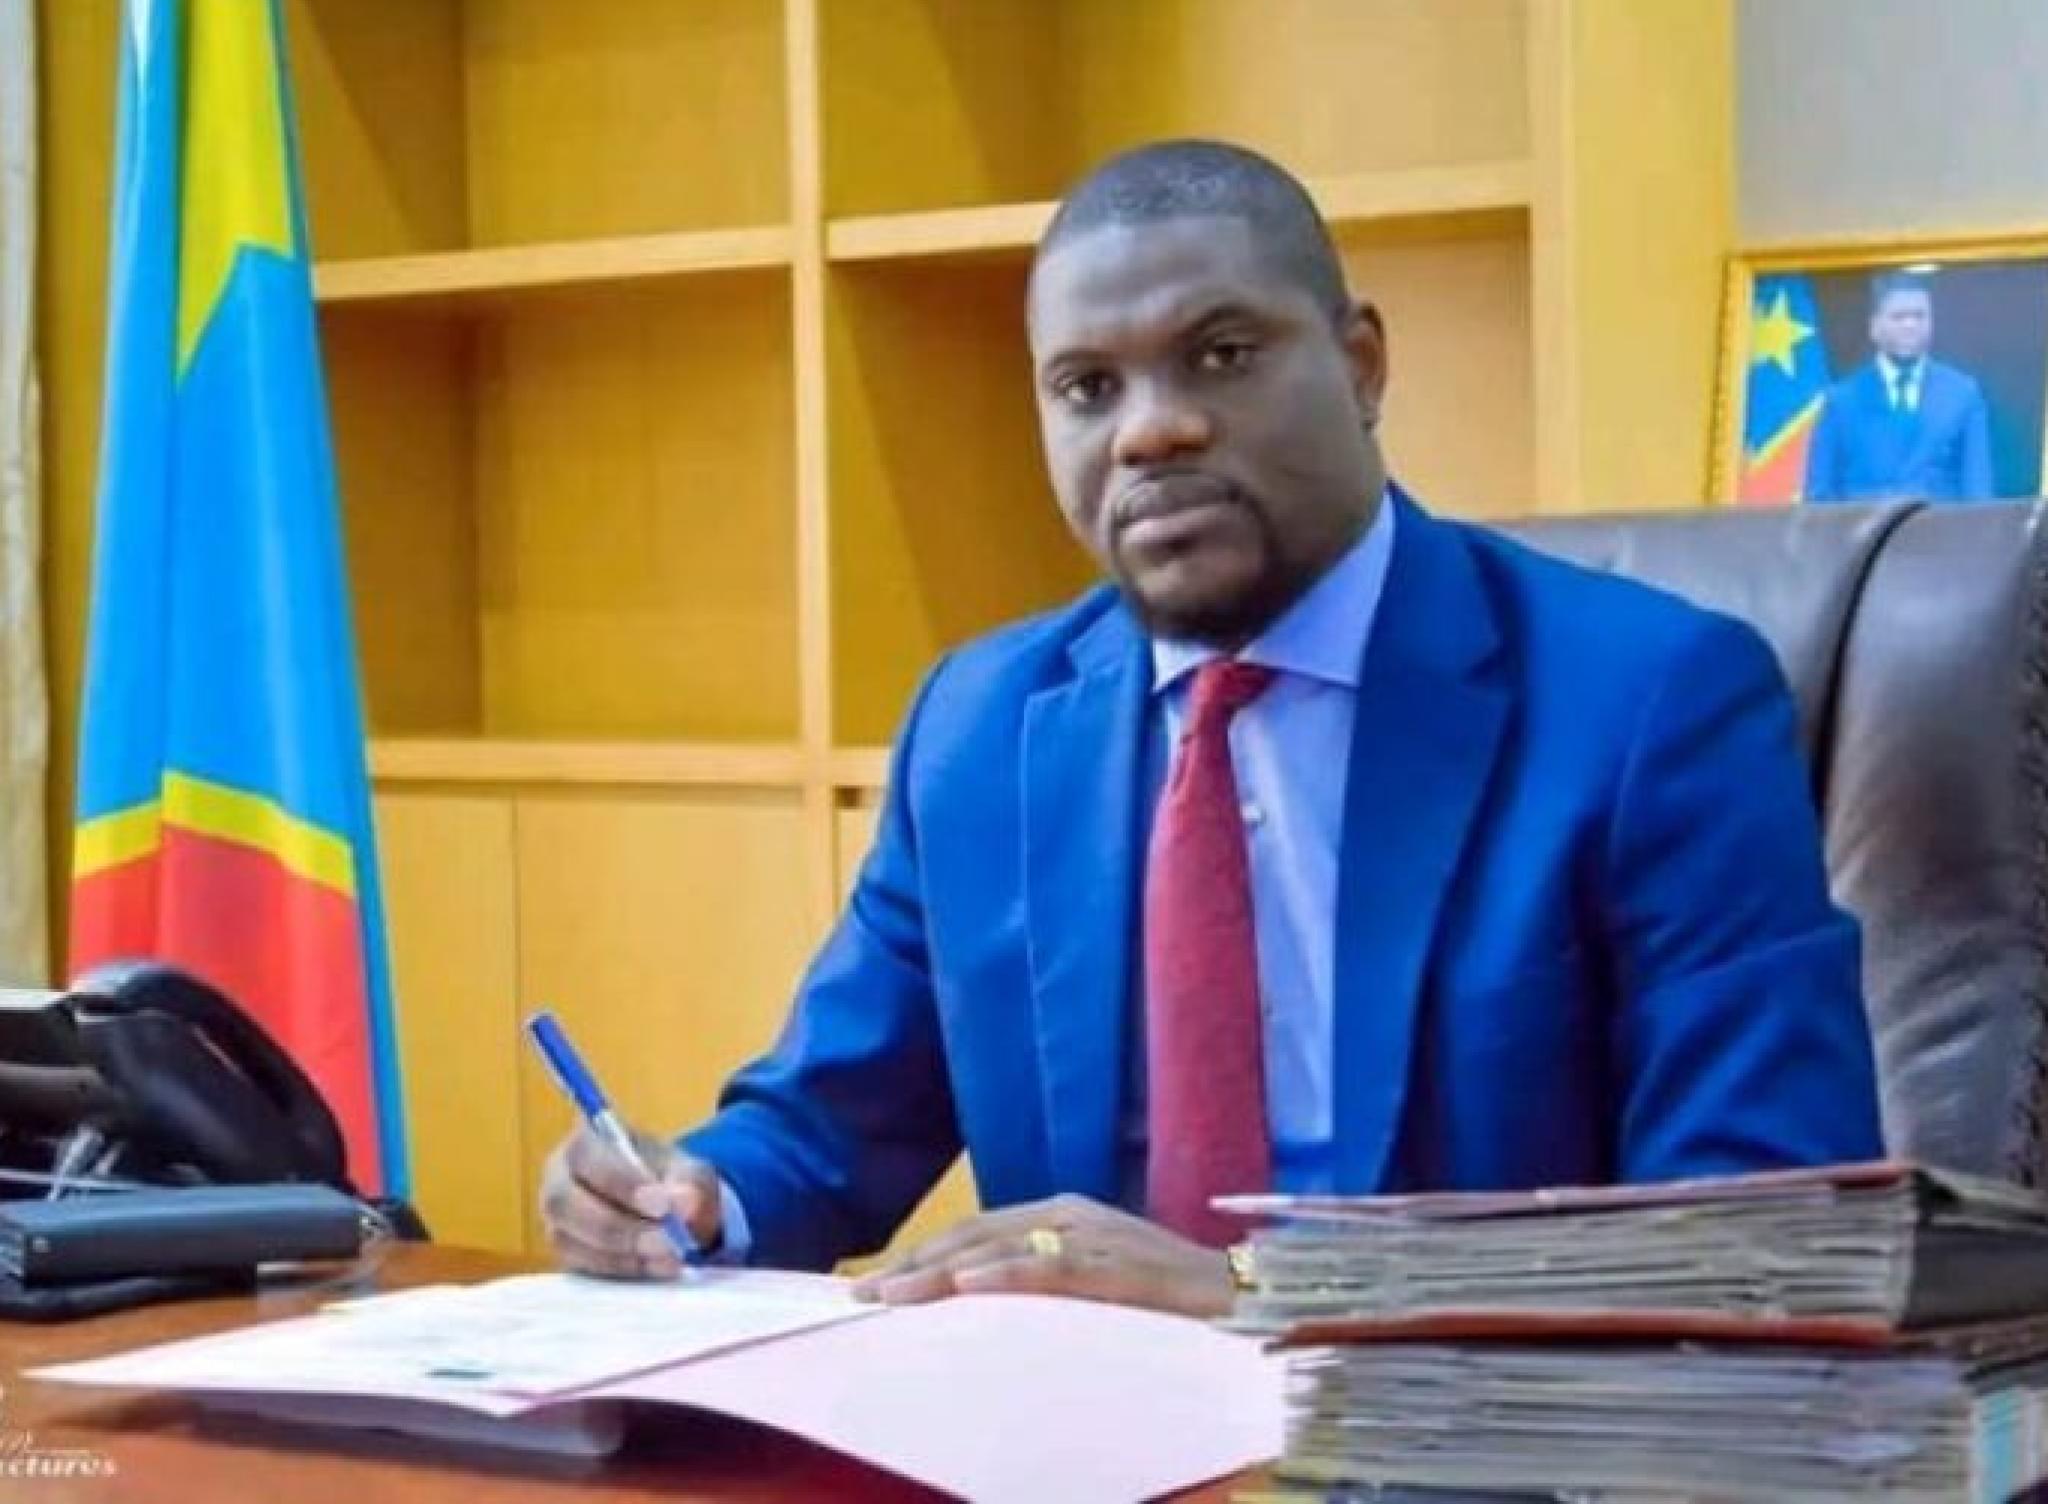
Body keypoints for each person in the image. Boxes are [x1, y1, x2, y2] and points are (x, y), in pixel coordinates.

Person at [541, 139, 1884, 1320]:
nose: (1154, 431)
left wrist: (1255, 1291)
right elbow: (827, 1124)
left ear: (1361, 364)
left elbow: (1759, 1231)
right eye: (1086, 388)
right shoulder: (981, 729)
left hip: (1467, 1451)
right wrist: (692, 1196)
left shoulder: (1649, 703)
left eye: (1221, 356)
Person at [1805, 271, 1995, 503]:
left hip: (1939, 526)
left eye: (1919, 316)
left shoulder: (1962, 395)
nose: (1910, 325)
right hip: (1867, 527)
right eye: (1899, 317)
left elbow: (1978, 495)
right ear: (1874, 327)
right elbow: (1819, 497)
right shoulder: (1842, 401)